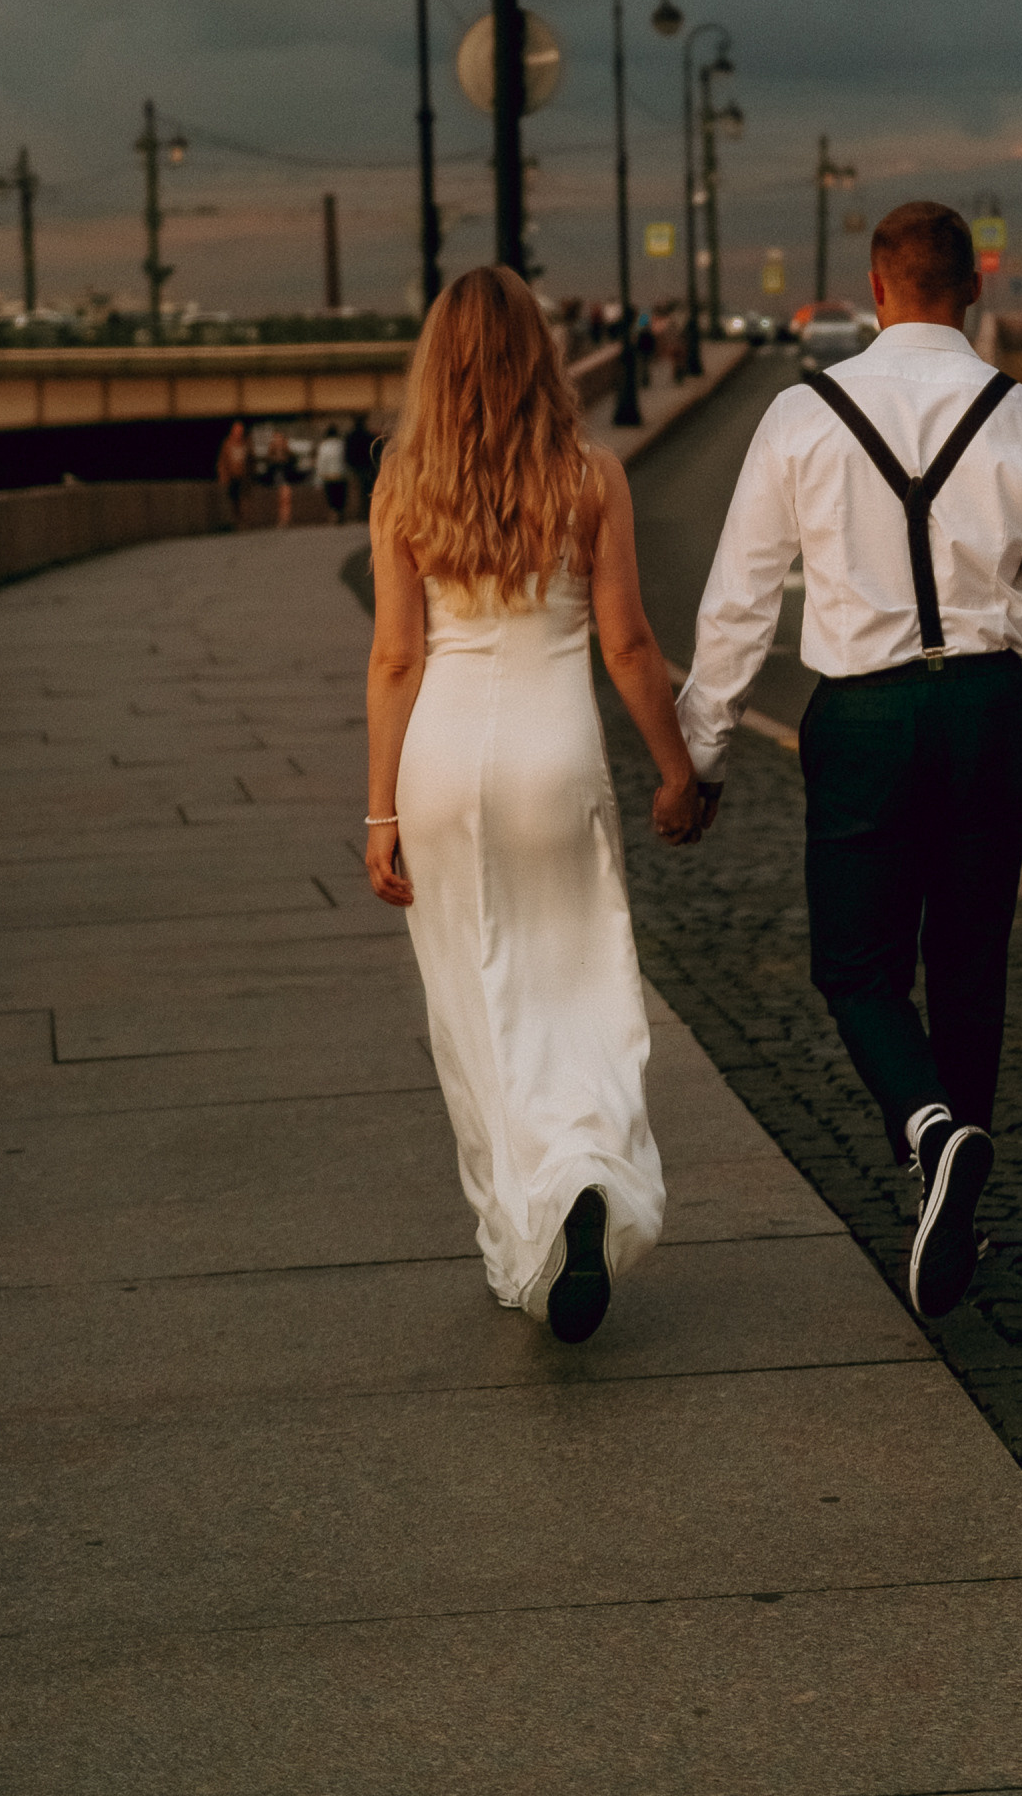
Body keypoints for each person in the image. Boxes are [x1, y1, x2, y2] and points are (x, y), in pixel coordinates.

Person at [678, 199, 1022, 1322]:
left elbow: (738, 601)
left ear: (875, 291)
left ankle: (926, 1132)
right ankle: (956, 1193)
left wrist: (702, 753)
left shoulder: (800, 417)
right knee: (968, 965)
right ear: (972, 290)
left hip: (861, 717)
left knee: (856, 967)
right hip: (987, 714)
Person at [363, 265, 704, 1341]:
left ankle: (522, 1234)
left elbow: (392, 659)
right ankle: (585, 1175)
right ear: (542, 359)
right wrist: (677, 769)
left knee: (473, 1007)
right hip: (555, 760)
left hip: (441, 763)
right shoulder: (589, 475)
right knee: (578, 987)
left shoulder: (402, 484)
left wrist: (379, 812)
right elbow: (627, 643)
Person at [214, 418, 251, 529]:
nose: (239, 432)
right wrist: (223, 475)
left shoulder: (246, 443)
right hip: (232, 476)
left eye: (241, 430)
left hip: (243, 476)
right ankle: (236, 521)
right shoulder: (227, 443)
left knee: (244, 499)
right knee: (233, 500)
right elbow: (222, 461)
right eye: (237, 430)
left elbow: (251, 460)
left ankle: (244, 521)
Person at [315, 420, 350, 526]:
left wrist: (318, 478)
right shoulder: (342, 444)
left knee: (331, 497)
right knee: (341, 497)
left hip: (328, 476)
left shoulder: (323, 446)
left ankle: (334, 514)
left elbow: (321, 462)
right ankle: (340, 514)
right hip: (341, 474)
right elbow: (346, 460)